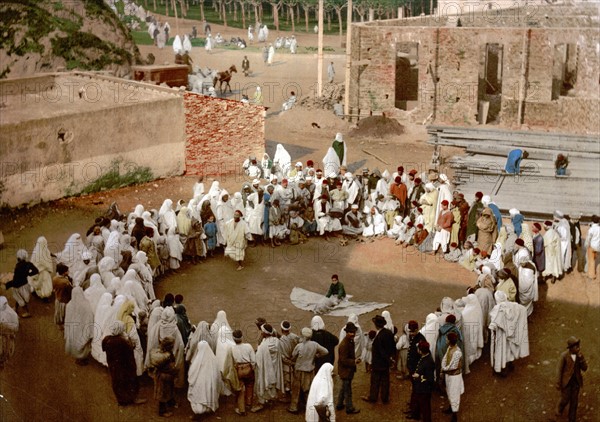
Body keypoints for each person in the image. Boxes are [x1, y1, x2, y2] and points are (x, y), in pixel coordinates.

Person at [102, 321, 147, 406]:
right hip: (125, 367)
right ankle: (133, 398)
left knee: (117, 382)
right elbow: (129, 352)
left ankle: (121, 400)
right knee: (129, 382)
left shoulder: (107, 339)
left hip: (113, 366)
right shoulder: (121, 342)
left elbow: (103, 349)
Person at [288, 327, 329, 414]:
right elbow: (325, 351)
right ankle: (310, 407)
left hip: (299, 370)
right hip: (310, 370)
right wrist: (316, 356)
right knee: (308, 389)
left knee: (296, 390)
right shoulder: (314, 344)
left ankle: (294, 407)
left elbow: (293, 355)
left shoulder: (299, 346)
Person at [362, 314, 396, 404]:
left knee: (375, 381)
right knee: (385, 381)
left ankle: (373, 397)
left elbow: (381, 351)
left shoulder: (379, 336)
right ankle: (385, 398)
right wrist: (390, 359)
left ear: (376, 325)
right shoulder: (388, 333)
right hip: (385, 363)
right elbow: (393, 346)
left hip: (378, 362)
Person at [556, 336, 588, 422]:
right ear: (570, 348)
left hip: (575, 382)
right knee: (565, 399)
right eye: (575, 346)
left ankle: (572, 419)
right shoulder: (564, 356)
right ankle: (560, 407)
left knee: (574, 402)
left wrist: (581, 359)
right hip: (566, 382)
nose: (578, 348)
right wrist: (558, 382)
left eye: (578, 346)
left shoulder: (579, 356)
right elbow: (559, 370)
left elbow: (584, 368)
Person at [187, 340, 221, 419]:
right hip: (210, 383)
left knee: (199, 395)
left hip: (200, 383)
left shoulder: (198, 360)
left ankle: (199, 412)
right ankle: (208, 408)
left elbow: (192, 372)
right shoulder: (213, 359)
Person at [149, 336, 179, 418]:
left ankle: (170, 402)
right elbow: (170, 367)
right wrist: (176, 371)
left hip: (160, 376)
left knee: (166, 391)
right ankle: (162, 412)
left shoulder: (160, 353)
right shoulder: (168, 356)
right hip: (165, 377)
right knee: (163, 394)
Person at [64, 286, 94, 365]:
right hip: (82, 327)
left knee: (74, 342)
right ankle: (82, 358)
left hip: (72, 329)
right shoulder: (86, 304)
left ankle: (77, 357)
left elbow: (67, 318)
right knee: (83, 341)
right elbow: (90, 317)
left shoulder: (70, 304)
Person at [406, 341, 435, 422]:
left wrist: (418, 377)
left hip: (424, 389)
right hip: (419, 387)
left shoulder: (429, 362)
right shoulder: (424, 357)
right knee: (418, 403)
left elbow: (430, 379)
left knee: (425, 407)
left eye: (418, 349)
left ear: (421, 351)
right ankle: (416, 415)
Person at [336, 322, 361, 414]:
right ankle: (349, 408)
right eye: (350, 332)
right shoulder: (344, 344)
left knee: (344, 388)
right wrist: (354, 362)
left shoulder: (349, 341)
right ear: (347, 332)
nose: (353, 334)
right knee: (348, 391)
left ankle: (339, 404)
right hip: (345, 371)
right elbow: (343, 360)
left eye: (353, 332)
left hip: (346, 370)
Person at [5, 249, 38, 318]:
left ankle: (27, 312)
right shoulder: (29, 264)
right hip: (25, 284)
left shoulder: (18, 266)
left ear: (18, 258)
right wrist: (29, 274)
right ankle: (16, 308)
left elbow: (16, 278)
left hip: (18, 286)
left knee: (20, 298)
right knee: (20, 297)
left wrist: (8, 284)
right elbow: (36, 271)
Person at [231, 330, 256, 415]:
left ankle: (242, 409)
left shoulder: (232, 348)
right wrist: (253, 368)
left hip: (239, 369)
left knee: (241, 388)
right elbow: (253, 360)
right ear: (242, 337)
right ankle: (249, 404)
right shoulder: (248, 346)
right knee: (250, 386)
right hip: (248, 368)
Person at [441, 332, 464, 422]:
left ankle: (454, 415)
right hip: (449, 375)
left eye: (447, 339)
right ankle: (451, 408)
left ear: (450, 340)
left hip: (455, 376)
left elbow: (453, 366)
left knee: (454, 394)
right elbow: (445, 358)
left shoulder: (457, 352)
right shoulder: (450, 348)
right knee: (449, 391)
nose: (446, 340)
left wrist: (444, 368)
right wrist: (444, 368)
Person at [0, 296, 19, 369]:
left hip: (5, 337)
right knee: (6, 350)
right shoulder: (12, 314)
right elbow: (15, 327)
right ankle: (2, 362)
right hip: (8, 337)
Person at [53, 263, 73, 327]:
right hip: (64, 301)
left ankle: (59, 325)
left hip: (58, 299)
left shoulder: (55, 278)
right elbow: (70, 290)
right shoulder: (65, 282)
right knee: (64, 314)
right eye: (67, 271)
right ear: (64, 272)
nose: (68, 272)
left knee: (58, 313)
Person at [585, 215, 600, 280]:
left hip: (592, 246)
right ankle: (591, 273)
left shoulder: (591, 229)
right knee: (594, 259)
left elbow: (588, 238)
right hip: (597, 246)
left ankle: (591, 275)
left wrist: (586, 245)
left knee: (591, 261)